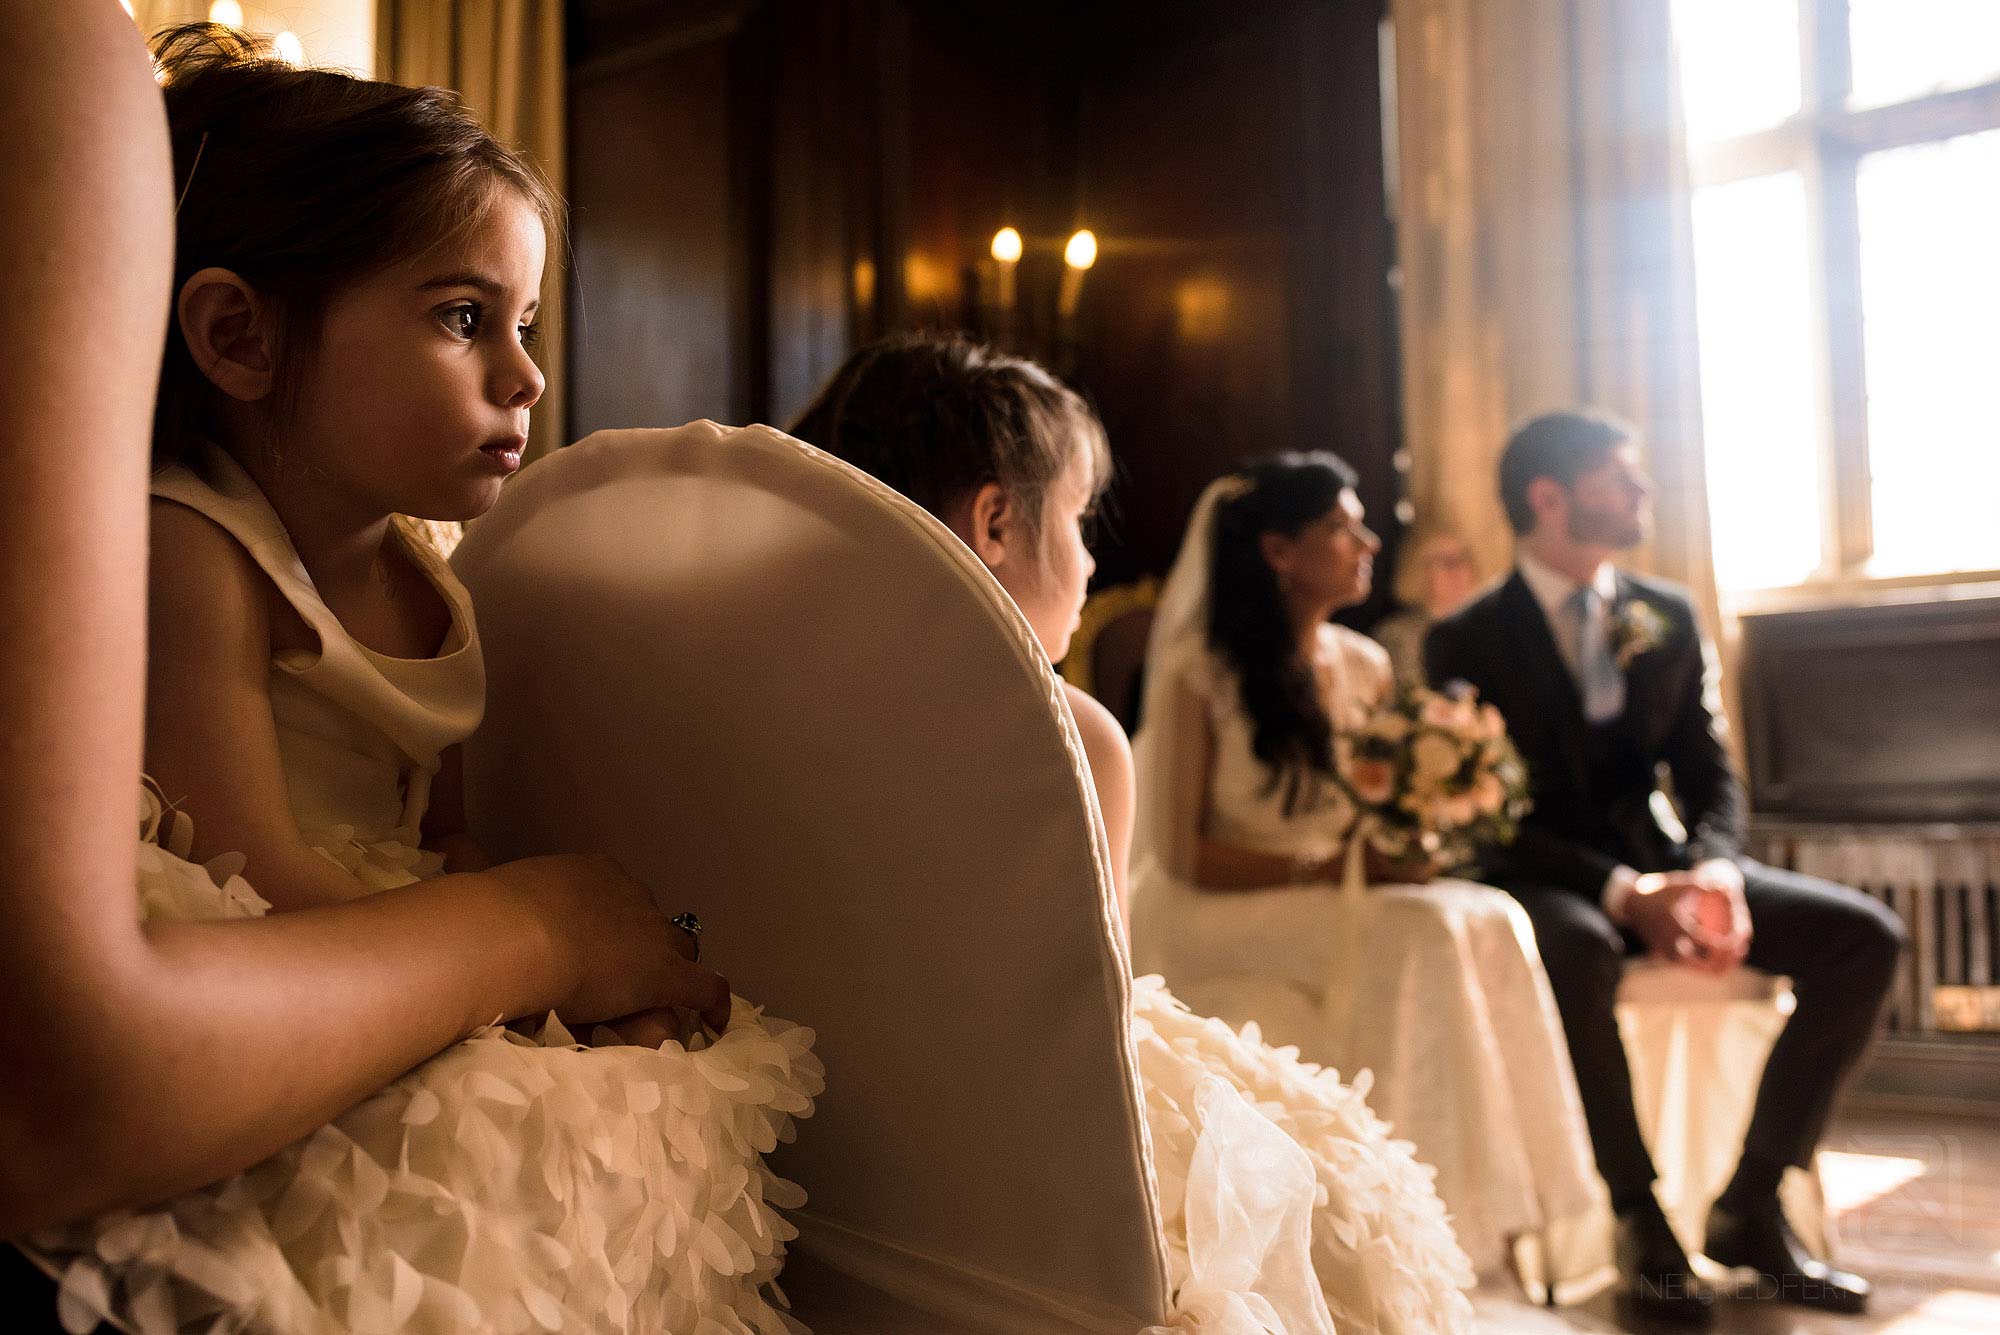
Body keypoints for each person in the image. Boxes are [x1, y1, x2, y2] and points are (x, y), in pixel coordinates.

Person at [14, 26, 821, 1332]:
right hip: (266, 936)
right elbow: (255, 873)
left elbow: (441, 832)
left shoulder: (439, 575)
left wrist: (534, 970)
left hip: (388, 928)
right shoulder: (197, 547)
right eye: (463, 317)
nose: (527, 373)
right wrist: (509, 982)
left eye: (525, 323)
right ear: (238, 337)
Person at [792, 333, 1475, 1335]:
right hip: (1002, 1152)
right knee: (1336, 1209)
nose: (1092, 556)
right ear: (994, 521)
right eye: (1077, 518)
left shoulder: (765, 703)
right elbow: (1086, 1022)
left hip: (818, 1152)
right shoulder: (1066, 737)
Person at [1425, 410, 1905, 1319]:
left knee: (1864, 937)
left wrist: (1714, 871)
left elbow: (1710, 771)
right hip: (1551, 880)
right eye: (1620, 476)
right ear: (1550, 497)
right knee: (1573, 953)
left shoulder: (1666, 613)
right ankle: (1637, 1216)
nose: (1643, 492)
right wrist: (1621, 892)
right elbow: (1481, 815)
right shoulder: (1467, 639)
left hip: (1670, 861)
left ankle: (1751, 1203)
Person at [1126, 453, 1601, 1283]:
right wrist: (1337, 867)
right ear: (1279, 550)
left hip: (1343, 888)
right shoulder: (1199, 673)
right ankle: (1411, 1224)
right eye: (1342, 526)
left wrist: (1417, 836)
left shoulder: (1367, 664)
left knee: (1490, 914)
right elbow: (1183, 856)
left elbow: (1382, 810)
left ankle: (1512, 1209)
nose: (1368, 539)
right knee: (1418, 935)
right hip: (1212, 906)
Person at [1371, 526, 1478, 690]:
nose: (1459, 570)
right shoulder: (1396, 635)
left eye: (1464, 559)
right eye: (1448, 562)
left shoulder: (1487, 630)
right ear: (1421, 571)